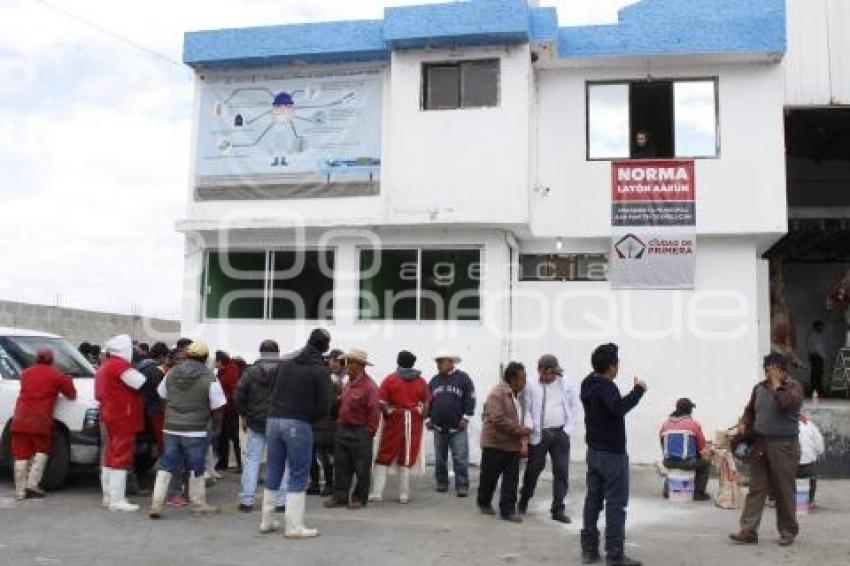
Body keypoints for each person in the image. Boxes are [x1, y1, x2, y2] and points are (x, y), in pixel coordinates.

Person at [580, 343, 646, 566]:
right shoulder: (607, 387)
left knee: (592, 501)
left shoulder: (588, 384)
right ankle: (615, 555)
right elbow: (617, 408)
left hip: (594, 452)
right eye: (616, 364)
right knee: (615, 505)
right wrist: (638, 390)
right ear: (610, 367)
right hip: (612, 455)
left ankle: (589, 550)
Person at [262, 328, 331, 539]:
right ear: (325, 346)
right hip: (298, 422)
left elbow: (271, 388)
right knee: (298, 473)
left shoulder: (287, 361)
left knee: (273, 469)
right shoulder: (319, 369)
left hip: (273, 420)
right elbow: (324, 404)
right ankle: (293, 526)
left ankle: (267, 521)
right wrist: (313, 420)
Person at [730, 353, 804, 547]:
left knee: (783, 490)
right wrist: (745, 423)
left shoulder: (794, 388)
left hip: (784, 446)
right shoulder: (759, 388)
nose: (769, 372)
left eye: (773, 368)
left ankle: (787, 531)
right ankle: (748, 530)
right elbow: (750, 410)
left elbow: (784, 404)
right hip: (760, 443)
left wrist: (778, 385)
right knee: (756, 488)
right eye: (767, 368)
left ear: (782, 369)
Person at [148, 341, 223, 518]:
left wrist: (172, 412)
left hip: (171, 428)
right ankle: (198, 503)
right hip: (196, 430)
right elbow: (218, 407)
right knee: (196, 466)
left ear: (188, 355)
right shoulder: (210, 377)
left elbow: (162, 396)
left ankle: (156, 504)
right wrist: (216, 427)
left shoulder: (172, 373)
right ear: (205, 358)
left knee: (167, 464)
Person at [519, 354, 581, 523]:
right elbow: (526, 410)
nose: (549, 377)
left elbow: (574, 407)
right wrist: (529, 429)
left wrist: (567, 430)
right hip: (540, 434)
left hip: (560, 433)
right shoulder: (531, 385)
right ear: (539, 370)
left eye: (552, 374)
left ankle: (558, 509)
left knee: (561, 471)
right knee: (533, 470)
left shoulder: (565, 382)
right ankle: (524, 499)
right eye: (545, 374)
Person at [10, 348, 77, 500]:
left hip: (20, 418)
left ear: (36, 358)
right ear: (52, 360)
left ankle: (20, 491)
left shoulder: (25, 373)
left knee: (20, 455)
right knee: (41, 451)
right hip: (40, 420)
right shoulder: (57, 375)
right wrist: (68, 380)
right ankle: (32, 485)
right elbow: (71, 394)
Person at [370, 350, 431, 504]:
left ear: (398, 361)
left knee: (384, 454)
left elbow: (382, 402)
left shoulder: (390, 379)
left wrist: (387, 415)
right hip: (414, 420)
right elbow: (427, 403)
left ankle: (377, 493)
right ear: (413, 363)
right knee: (406, 456)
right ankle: (403, 495)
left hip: (395, 418)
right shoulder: (421, 381)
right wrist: (422, 416)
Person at [234, 339, 288, 513]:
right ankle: (280, 501)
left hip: (256, 422)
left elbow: (239, 395)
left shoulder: (250, 372)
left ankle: (247, 501)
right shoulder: (285, 371)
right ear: (278, 352)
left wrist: (245, 414)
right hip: (280, 421)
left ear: (260, 352)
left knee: (252, 460)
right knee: (280, 461)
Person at [325, 349, 380, 510]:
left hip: (360, 431)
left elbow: (374, 412)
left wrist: (369, 432)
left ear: (360, 365)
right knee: (341, 465)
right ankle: (340, 496)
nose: (347, 366)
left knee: (361, 468)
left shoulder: (370, 386)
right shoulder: (348, 383)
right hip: (342, 429)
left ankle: (359, 498)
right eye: (347, 362)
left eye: (350, 363)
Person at [97, 334, 147, 512]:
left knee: (110, 456)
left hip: (109, 414)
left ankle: (108, 496)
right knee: (121, 456)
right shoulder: (120, 366)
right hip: (123, 416)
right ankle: (117, 500)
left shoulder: (104, 367)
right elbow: (141, 383)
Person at [477, 362, 529, 523]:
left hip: (512, 445)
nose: (525, 382)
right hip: (495, 443)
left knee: (511, 480)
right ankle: (484, 502)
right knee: (489, 477)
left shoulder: (518, 395)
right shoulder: (497, 394)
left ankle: (508, 510)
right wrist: (520, 430)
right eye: (522, 378)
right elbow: (497, 418)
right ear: (512, 379)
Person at [427, 349, 476, 497]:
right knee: (440, 459)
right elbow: (427, 401)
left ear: (450, 362)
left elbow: (470, 399)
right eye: (437, 362)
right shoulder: (434, 381)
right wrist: (428, 419)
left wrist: (466, 418)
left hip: (458, 428)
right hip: (438, 427)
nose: (438, 365)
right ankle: (441, 482)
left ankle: (462, 486)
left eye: (441, 361)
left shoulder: (463, 379)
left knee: (460, 459)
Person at [307, 349, 344, 497]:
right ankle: (327, 485)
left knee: (317, 457)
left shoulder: (316, 388)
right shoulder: (335, 386)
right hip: (328, 427)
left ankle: (316, 484)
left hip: (319, 426)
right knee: (325, 458)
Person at [659, 398, 710, 501]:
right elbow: (701, 447)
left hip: (668, 462)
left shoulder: (665, 424)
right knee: (705, 464)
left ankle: (667, 490)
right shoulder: (694, 424)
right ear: (689, 410)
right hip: (687, 462)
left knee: (675, 468)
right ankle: (698, 493)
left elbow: (663, 444)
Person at [137, 342, 170, 457]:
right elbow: (162, 392)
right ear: (161, 356)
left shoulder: (142, 366)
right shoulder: (155, 371)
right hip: (156, 409)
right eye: (166, 357)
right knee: (163, 441)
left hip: (145, 408)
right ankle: (164, 468)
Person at [214, 350, 243, 473]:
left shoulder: (231, 371)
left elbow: (233, 390)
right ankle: (223, 462)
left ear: (220, 361)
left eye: (216, 360)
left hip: (231, 408)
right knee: (223, 436)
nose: (214, 362)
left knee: (234, 436)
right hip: (223, 408)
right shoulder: (222, 371)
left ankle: (240, 463)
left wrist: (225, 400)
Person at [798, 413, 825, 505]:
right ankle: (810, 500)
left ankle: (786, 500)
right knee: (812, 479)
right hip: (809, 463)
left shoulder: (787, 425)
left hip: (792, 463)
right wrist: (817, 454)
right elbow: (819, 444)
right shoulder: (811, 426)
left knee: (785, 480)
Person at [807, 321, 827, 397]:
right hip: (815, 356)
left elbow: (822, 346)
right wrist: (812, 353)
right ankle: (814, 389)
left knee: (819, 373)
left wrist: (823, 355)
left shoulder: (821, 335)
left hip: (820, 356)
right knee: (815, 373)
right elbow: (810, 345)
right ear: (816, 327)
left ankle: (819, 389)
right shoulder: (812, 335)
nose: (821, 328)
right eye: (820, 326)